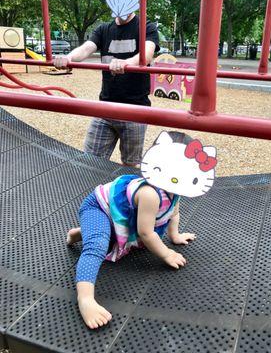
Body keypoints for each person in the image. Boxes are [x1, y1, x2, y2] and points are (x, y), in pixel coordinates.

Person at [66, 131, 217, 329]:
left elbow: (174, 213)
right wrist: (167, 253)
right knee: (97, 245)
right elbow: (146, 233)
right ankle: (85, 299)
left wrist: (175, 235)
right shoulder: (150, 194)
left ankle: (80, 232)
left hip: (120, 214)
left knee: (105, 235)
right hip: (99, 208)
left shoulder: (176, 190)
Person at [54, 0, 159, 167]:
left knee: (130, 164)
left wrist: (125, 63)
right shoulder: (103, 29)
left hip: (135, 109)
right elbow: (86, 48)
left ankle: (124, 194)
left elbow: (147, 53)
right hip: (105, 108)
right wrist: (67, 57)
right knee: (90, 160)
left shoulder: (146, 27)